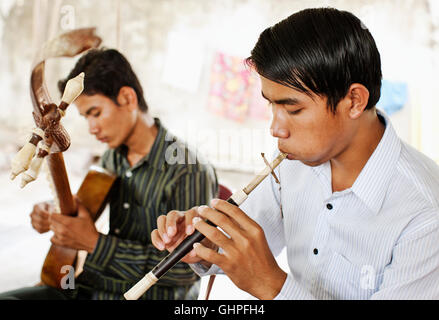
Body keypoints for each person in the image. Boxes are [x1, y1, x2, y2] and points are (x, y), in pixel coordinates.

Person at [151, 7, 439, 299]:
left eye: (293, 109)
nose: (276, 128)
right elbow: (236, 245)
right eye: (271, 105)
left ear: (353, 101)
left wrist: (272, 286)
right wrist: (204, 242)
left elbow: (262, 275)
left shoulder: (426, 214)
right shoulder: (295, 165)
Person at [1, 48, 218, 300]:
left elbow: (186, 269)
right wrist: (53, 211)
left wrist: (96, 244)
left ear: (127, 98)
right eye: (85, 118)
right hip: (88, 289)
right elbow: (86, 207)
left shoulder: (188, 169)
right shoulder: (112, 156)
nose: (92, 128)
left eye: (95, 113)